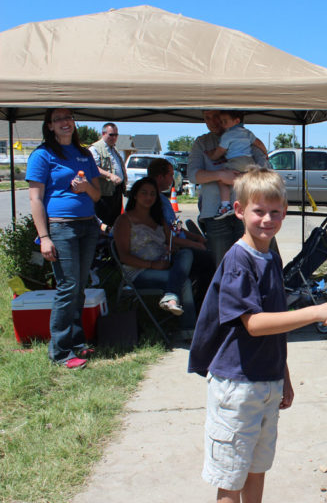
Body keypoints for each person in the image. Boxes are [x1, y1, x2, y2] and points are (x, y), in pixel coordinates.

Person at [188, 168, 327, 503]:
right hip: (236, 387)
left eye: (275, 212)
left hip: (266, 381)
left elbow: (275, 321)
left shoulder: (271, 253)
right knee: (231, 477)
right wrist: (316, 311)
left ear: (285, 211)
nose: (267, 219)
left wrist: (282, 374)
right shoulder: (239, 261)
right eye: (259, 211)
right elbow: (254, 324)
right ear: (239, 210)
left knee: (257, 468)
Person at [26, 109, 102, 369]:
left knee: (79, 287)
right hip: (61, 228)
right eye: (58, 119)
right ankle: (59, 352)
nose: (64, 122)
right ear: (49, 126)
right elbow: (35, 199)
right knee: (67, 286)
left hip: (87, 227)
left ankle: (77, 342)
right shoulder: (42, 155)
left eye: (68, 117)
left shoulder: (84, 154)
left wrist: (85, 188)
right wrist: (44, 237)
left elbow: (96, 195)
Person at [113, 177, 196, 336]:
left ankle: (171, 297)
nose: (149, 197)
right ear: (135, 195)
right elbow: (123, 256)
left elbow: (170, 240)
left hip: (164, 264)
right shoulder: (125, 220)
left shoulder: (158, 219)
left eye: (152, 194)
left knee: (186, 253)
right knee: (184, 281)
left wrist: (170, 250)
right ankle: (189, 330)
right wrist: (152, 265)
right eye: (144, 193)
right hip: (138, 272)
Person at [188, 110, 268, 266]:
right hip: (215, 215)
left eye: (216, 117)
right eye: (207, 118)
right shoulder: (202, 142)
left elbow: (265, 171)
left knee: (250, 263)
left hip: (246, 214)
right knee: (222, 265)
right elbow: (192, 175)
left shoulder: (245, 136)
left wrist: (239, 178)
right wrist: (220, 175)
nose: (212, 122)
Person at [147, 158, 215, 310]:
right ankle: (200, 306)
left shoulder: (164, 199)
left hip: (183, 243)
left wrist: (195, 237)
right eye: (171, 175)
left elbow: (175, 226)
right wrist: (194, 244)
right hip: (174, 250)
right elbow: (169, 238)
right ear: (160, 177)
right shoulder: (154, 202)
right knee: (210, 261)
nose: (173, 179)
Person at [204, 110, 267, 220]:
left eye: (225, 121)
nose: (222, 124)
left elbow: (220, 151)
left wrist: (212, 156)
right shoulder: (247, 133)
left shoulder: (227, 135)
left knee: (222, 179)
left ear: (236, 121)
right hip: (249, 161)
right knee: (247, 181)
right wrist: (266, 153)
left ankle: (225, 205)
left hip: (235, 161)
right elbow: (259, 143)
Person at [89, 122, 127, 227]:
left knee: (115, 221)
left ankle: (112, 241)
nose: (114, 137)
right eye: (111, 135)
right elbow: (93, 168)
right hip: (104, 194)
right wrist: (110, 175)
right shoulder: (95, 148)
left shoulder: (114, 149)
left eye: (116, 135)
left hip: (116, 191)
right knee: (104, 223)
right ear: (103, 134)